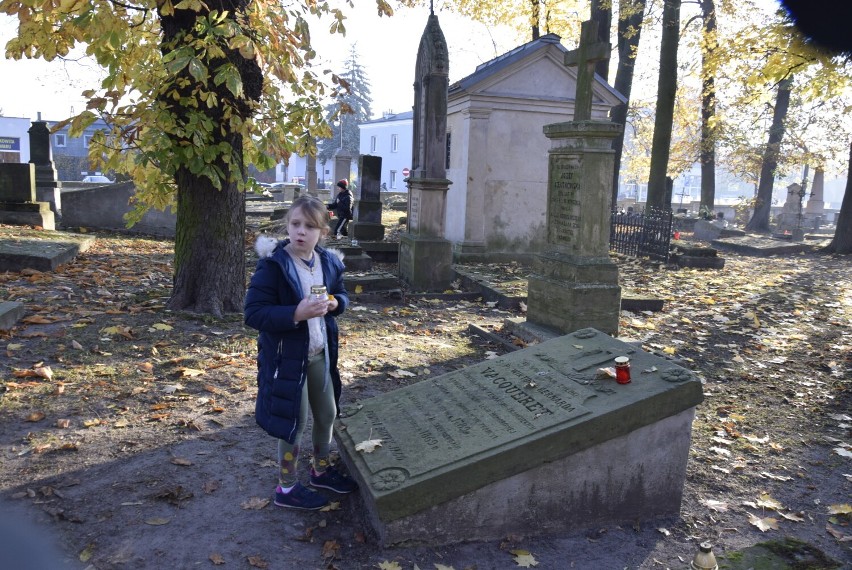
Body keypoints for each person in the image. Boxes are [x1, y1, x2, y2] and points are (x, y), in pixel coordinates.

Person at [244, 195, 358, 510]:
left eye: (310, 226)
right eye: (296, 224)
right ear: (288, 226)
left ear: (323, 231)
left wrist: (337, 303)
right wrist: (296, 312)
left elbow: (342, 294)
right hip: (286, 359)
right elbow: (253, 314)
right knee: (293, 422)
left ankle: (320, 470)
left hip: (320, 354)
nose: (301, 232)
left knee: (328, 414)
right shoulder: (274, 265)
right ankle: (287, 487)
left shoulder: (330, 263)